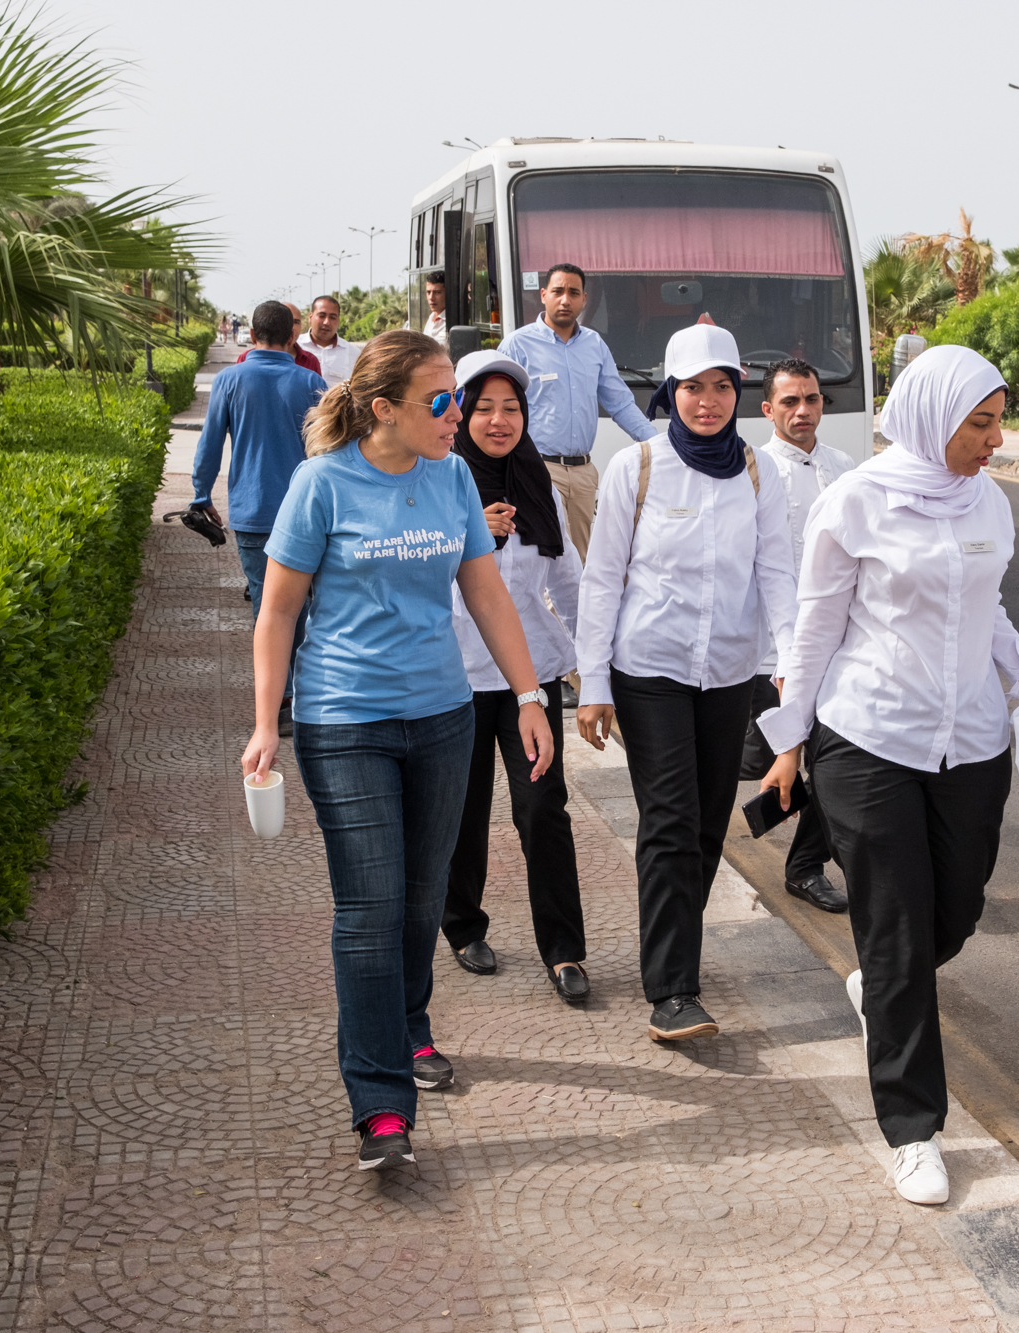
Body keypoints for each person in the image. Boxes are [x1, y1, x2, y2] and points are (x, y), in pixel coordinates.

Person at [757, 345, 1019, 1206]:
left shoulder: (987, 502)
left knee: (957, 908)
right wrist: (790, 742)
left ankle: (881, 984)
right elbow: (813, 627)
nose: (994, 439)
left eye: (998, 420)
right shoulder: (853, 502)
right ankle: (913, 1129)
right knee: (898, 929)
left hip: (971, 740)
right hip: (870, 739)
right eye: (980, 423)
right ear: (935, 417)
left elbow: (992, 608)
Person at [240, 330, 556, 1173]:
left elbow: (484, 591)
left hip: (442, 717)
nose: (460, 415)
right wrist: (267, 722)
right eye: (443, 401)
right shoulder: (321, 485)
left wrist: (528, 695)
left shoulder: (449, 477)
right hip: (345, 724)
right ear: (384, 409)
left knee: (421, 904)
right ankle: (381, 1102)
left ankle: (410, 1027)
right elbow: (276, 614)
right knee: (371, 909)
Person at [574, 323, 797, 1044]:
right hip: (650, 672)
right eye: (694, 388)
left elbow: (777, 578)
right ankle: (672, 989)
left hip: (729, 673)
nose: (709, 401)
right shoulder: (635, 468)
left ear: (740, 391)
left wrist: (791, 664)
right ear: (670, 393)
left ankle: (675, 940)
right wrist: (595, 683)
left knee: (705, 826)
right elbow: (602, 581)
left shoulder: (760, 473)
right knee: (669, 821)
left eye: (723, 386)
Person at [439, 351, 591, 1001]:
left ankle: (563, 950)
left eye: (513, 408)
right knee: (462, 812)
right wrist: (471, 536)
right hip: (454, 680)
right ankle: (463, 925)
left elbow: (571, 583)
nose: (500, 420)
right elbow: (422, 587)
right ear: (462, 411)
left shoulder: (538, 488)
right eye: (485, 407)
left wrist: (597, 669)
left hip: (529, 681)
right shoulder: (435, 485)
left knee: (542, 811)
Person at [737, 358, 856, 914]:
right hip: (769, 652)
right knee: (760, 761)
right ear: (767, 410)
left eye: (811, 399)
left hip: (838, 645)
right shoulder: (750, 471)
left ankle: (805, 866)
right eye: (790, 401)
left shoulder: (847, 468)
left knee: (829, 764)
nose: (803, 410)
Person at [192, 299, 329, 736]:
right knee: (309, 606)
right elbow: (329, 448)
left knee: (267, 608)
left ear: (252, 335)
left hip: (251, 513)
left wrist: (200, 493)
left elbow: (210, 443)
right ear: (293, 336)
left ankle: (279, 701)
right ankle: (306, 696)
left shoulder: (229, 379)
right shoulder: (310, 380)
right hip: (307, 513)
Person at [497, 263, 656, 556]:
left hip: (583, 473)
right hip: (538, 469)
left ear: (584, 299)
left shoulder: (594, 344)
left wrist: (659, 445)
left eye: (573, 292)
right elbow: (499, 410)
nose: (565, 300)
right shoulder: (518, 345)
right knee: (543, 556)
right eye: (558, 291)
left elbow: (620, 403)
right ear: (544, 295)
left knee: (581, 559)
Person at [239, 302, 324, 374]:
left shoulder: (311, 361)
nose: (291, 326)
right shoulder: (246, 358)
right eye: (285, 322)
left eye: (296, 322)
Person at [300, 294, 363, 386]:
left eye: (332, 317)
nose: (326, 322)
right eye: (321, 316)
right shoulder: (295, 346)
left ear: (338, 321)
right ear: (310, 317)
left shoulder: (353, 353)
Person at [422, 275, 448, 345]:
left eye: (437, 292)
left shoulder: (451, 321)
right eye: (428, 292)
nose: (431, 297)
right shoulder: (431, 317)